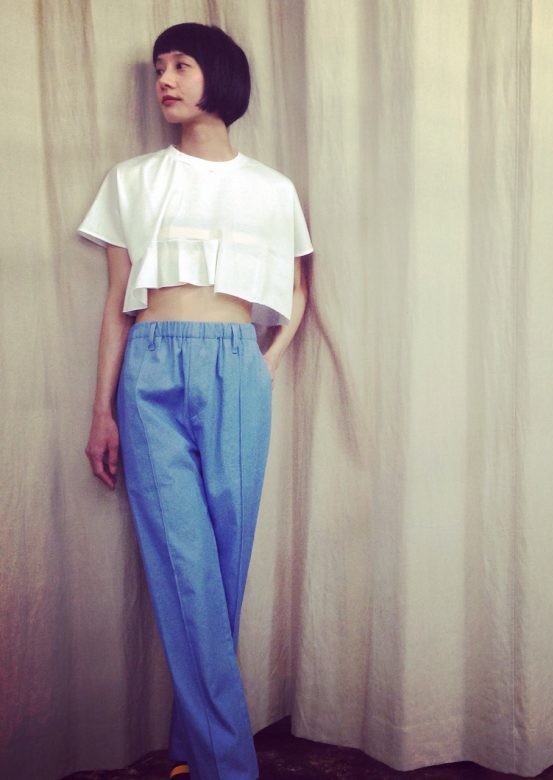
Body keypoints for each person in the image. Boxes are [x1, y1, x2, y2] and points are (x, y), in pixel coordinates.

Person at [78, 22, 313, 780]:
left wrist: (263, 363)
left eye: (181, 65)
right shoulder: (132, 180)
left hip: (236, 368)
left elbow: (297, 291)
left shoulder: (272, 189)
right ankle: (227, 766)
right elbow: (117, 301)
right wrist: (102, 410)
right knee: (184, 560)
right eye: (158, 68)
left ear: (220, 75)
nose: (164, 80)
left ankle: (191, 749)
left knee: (224, 562)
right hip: (150, 366)